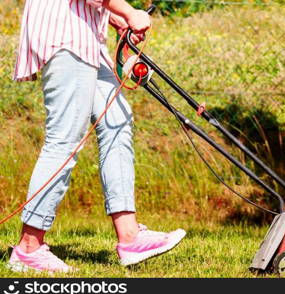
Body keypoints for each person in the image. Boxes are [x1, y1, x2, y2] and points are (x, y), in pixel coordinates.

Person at [7, 0, 185, 273]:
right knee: (63, 140)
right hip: (66, 37)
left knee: (117, 121)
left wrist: (115, 17)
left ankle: (130, 236)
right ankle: (29, 248)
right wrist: (128, 11)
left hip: (86, 39)